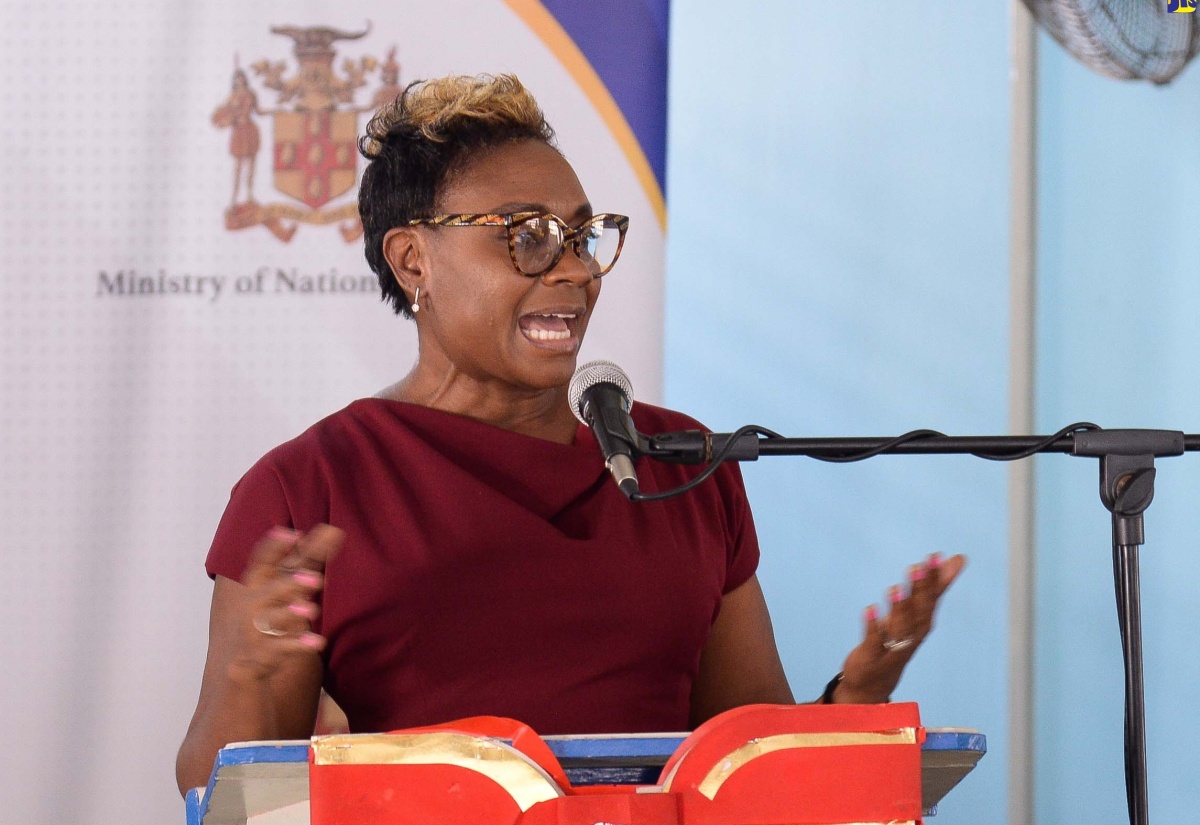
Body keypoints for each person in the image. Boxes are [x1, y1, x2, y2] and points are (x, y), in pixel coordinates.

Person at [176, 74, 965, 795]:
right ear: (414, 259)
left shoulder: (681, 465)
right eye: (525, 236)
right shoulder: (308, 488)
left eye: (582, 236)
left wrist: (856, 699)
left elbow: (748, 759)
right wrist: (252, 670)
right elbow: (221, 792)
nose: (577, 269)